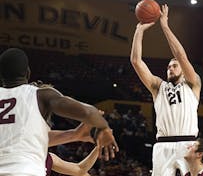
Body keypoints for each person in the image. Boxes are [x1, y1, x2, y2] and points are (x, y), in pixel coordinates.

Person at [0, 48, 118, 176]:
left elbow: (30, 136)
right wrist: (103, 127)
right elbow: (88, 112)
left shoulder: (26, 136)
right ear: (28, 73)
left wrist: (75, 134)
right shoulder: (39, 95)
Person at [130, 4, 201, 176]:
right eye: (168, 66)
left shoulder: (193, 83)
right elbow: (136, 62)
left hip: (188, 145)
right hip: (163, 145)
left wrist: (165, 26)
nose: (170, 67)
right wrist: (139, 31)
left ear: (183, 71)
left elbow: (181, 55)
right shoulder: (158, 87)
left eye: (174, 65)